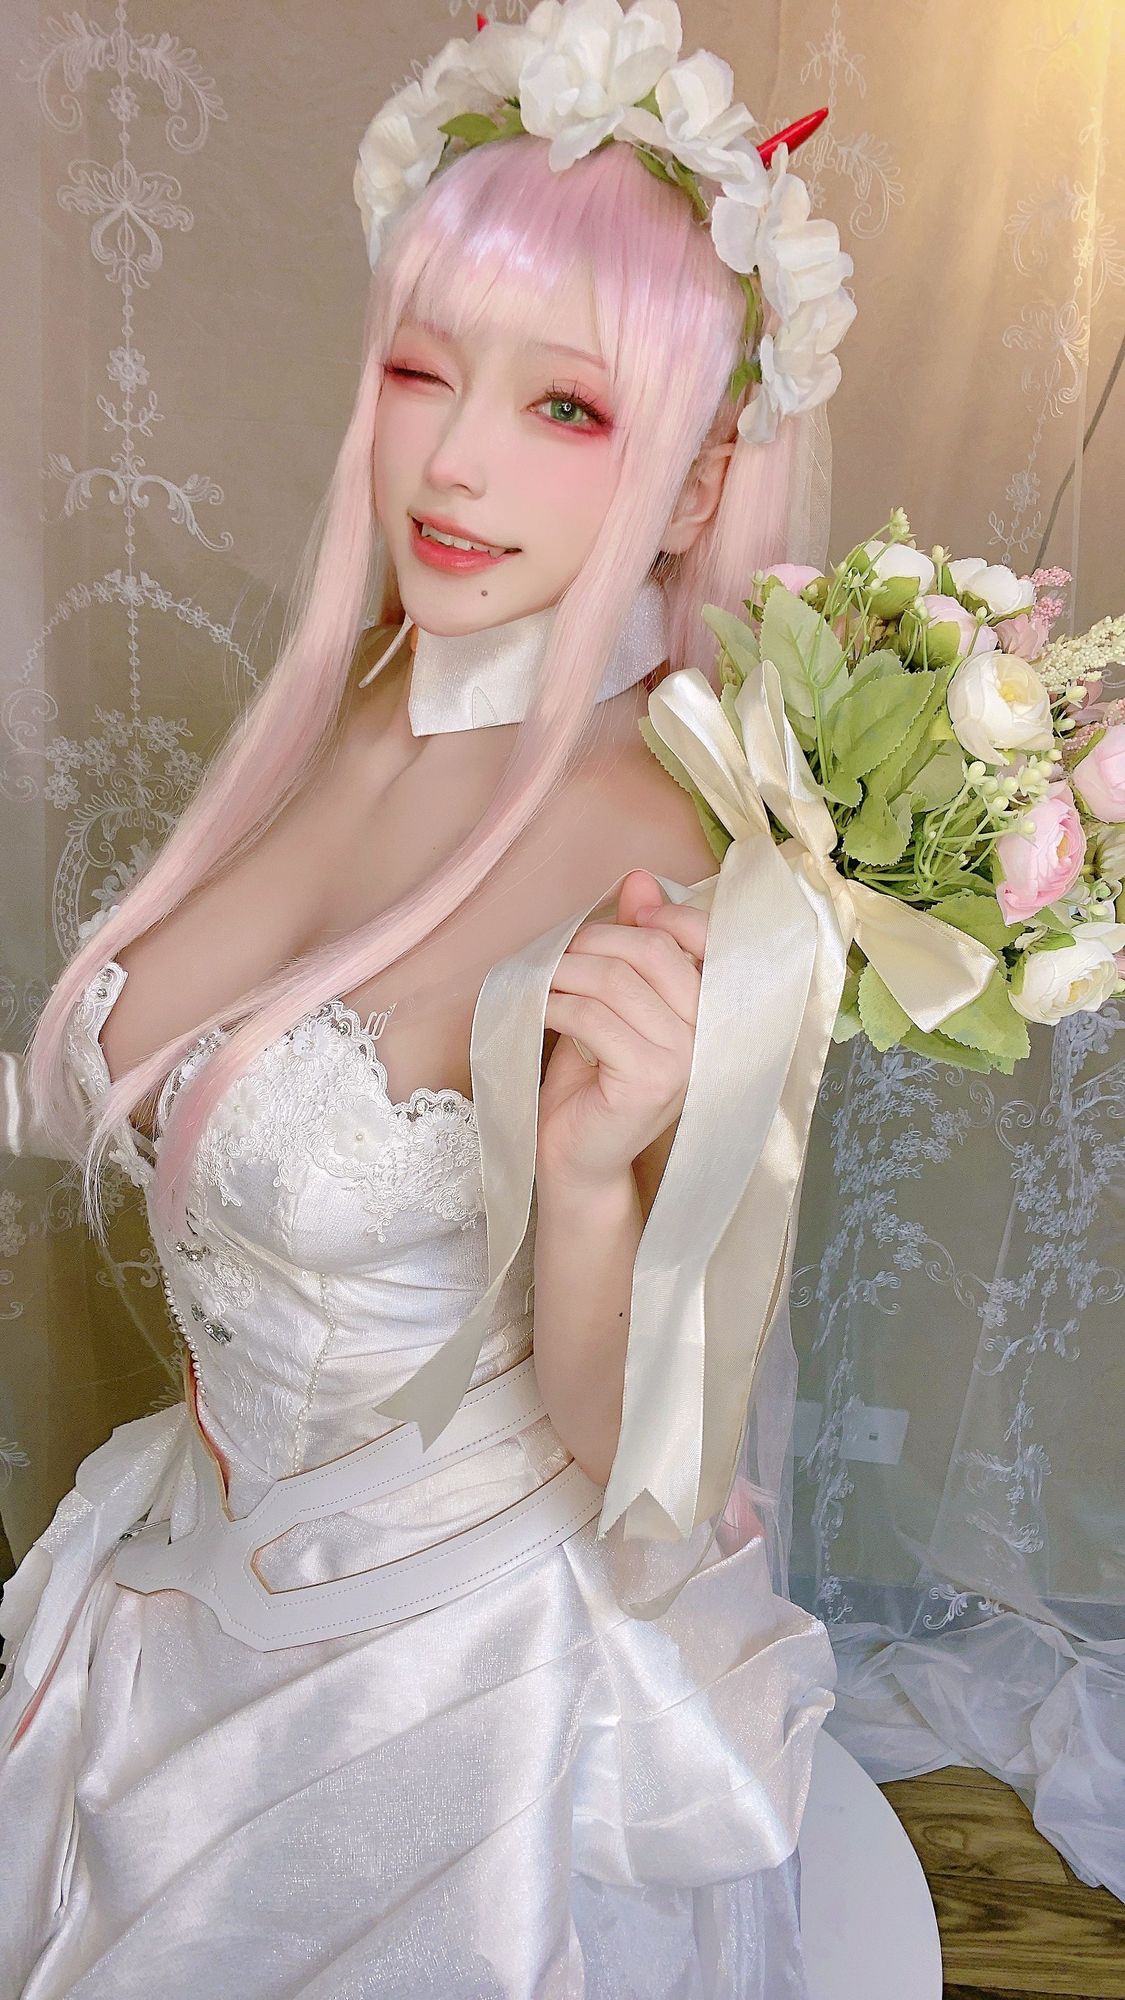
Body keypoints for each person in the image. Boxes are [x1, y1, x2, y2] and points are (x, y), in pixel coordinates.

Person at [0, 6, 855, 1992]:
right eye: (418, 370)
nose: (455, 462)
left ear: (698, 477)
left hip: (441, 1708)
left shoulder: (696, 849)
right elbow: (162, 1064)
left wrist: (588, 1181)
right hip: (168, 1595)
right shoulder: (369, 689)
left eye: (565, 407)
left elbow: (645, 1485)